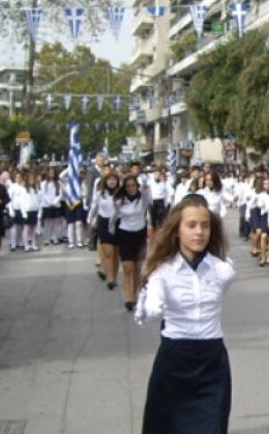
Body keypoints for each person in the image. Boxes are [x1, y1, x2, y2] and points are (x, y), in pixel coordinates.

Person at [135, 194, 235, 434]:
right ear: (177, 230)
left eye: (205, 225)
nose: (199, 232)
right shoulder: (162, 271)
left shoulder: (223, 270)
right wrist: (152, 305)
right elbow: (150, 308)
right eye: (191, 225)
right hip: (174, 361)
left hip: (212, 362)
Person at [114, 174, 152, 311]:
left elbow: (148, 195)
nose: (131, 188)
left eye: (133, 185)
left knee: (137, 268)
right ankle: (129, 297)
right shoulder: (120, 200)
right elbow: (114, 217)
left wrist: (145, 185)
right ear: (125, 188)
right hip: (125, 234)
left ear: (137, 186)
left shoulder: (142, 199)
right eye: (128, 186)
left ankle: (136, 293)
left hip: (139, 234)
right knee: (127, 267)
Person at [88, 172, 121, 290]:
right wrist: (91, 220)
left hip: (118, 223)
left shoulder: (121, 194)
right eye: (109, 179)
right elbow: (93, 208)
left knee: (116, 253)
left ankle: (114, 276)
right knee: (108, 252)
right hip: (104, 223)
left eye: (114, 179)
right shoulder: (100, 194)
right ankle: (110, 279)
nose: (112, 181)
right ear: (105, 182)